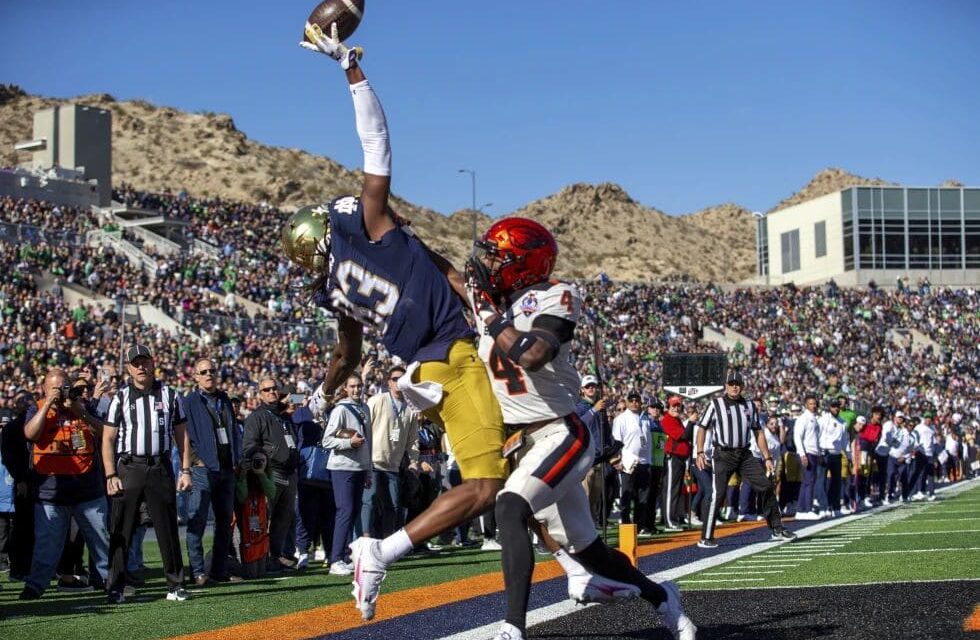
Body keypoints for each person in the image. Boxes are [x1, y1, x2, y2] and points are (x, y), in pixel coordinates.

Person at [292, 27, 508, 621]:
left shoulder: (335, 289)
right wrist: (351, 70)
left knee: (522, 464)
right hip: (452, 360)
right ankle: (380, 553)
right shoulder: (369, 225)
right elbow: (377, 142)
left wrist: (326, 389)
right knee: (489, 485)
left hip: (431, 364)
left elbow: (347, 355)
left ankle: (576, 565)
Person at [464, 217, 696, 640]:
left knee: (510, 506)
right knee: (591, 552)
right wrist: (399, 236)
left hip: (563, 431)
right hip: (528, 439)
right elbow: (447, 274)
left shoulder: (554, 295)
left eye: (497, 258)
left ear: (523, 264)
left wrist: (493, 319)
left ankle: (512, 628)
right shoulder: (494, 305)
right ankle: (664, 599)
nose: (487, 266)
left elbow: (534, 354)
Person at [103, 345, 192, 603]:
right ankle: (116, 587)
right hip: (129, 467)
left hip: (159, 467)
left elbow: (182, 436)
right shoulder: (119, 398)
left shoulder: (170, 395)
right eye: (135, 363)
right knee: (122, 529)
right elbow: (108, 439)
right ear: (129, 368)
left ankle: (175, 585)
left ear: (153, 363)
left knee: (167, 528)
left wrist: (184, 470)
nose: (141, 367)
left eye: (145, 362)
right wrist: (110, 474)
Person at [19, 369, 111, 600]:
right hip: (51, 492)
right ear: (44, 389)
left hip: (87, 489)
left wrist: (81, 413)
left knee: (101, 542)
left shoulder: (81, 406)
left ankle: (110, 581)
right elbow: (30, 434)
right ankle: (36, 585)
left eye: (63, 387)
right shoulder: (37, 407)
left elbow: (104, 433)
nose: (60, 392)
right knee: (46, 544)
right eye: (54, 388)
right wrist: (48, 404)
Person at [695, 370, 796, 548]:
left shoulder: (749, 406)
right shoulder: (715, 403)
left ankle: (777, 529)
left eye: (738, 384)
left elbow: (758, 432)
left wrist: (767, 457)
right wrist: (700, 452)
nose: (735, 386)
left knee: (765, 486)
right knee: (718, 493)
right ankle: (706, 537)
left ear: (742, 386)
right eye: (731, 383)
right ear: (726, 386)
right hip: (723, 454)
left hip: (744, 454)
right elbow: (702, 427)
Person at [182, 357, 243, 584]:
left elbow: (233, 431)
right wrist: (193, 462)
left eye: (212, 371)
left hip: (226, 470)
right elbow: (182, 435)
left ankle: (218, 570)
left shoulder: (224, 399)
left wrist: (236, 459)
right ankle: (198, 572)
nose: (209, 374)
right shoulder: (189, 402)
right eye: (203, 371)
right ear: (196, 377)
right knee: (196, 521)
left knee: (225, 522)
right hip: (202, 469)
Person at [243, 378, 300, 573]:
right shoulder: (257, 417)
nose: (271, 392)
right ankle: (263, 557)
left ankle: (276, 557)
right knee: (266, 518)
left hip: (290, 472)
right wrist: (263, 464)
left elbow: (293, 438)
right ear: (260, 394)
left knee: (283, 519)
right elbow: (250, 445)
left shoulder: (283, 415)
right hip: (271, 473)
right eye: (266, 389)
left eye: (274, 388)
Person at [322, 374, 372, 575]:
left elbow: (370, 441)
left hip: (360, 467)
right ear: (346, 388)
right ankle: (334, 560)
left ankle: (343, 556)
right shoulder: (341, 409)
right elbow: (326, 440)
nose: (356, 389)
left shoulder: (365, 408)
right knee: (345, 511)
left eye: (359, 385)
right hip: (342, 467)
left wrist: (368, 469)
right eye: (352, 386)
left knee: (351, 513)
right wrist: (348, 443)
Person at [362, 365, 420, 538]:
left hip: (393, 465)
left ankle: (387, 543)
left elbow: (413, 439)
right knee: (369, 502)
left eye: (402, 379)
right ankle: (365, 540)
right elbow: (364, 427)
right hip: (372, 462)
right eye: (395, 379)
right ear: (389, 383)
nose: (399, 382)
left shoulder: (410, 409)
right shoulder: (377, 400)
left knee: (393, 505)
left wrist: (414, 460)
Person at [611, 391, 651, 527]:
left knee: (643, 497)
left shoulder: (645, 418)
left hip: (644, 462)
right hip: (627, 462)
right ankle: (626, 525)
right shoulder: (621, 419)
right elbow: (616, 441)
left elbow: (647, 441)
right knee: (626, 496)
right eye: (631, 400)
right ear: (627, 402)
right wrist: (617, 461)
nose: (634, 402)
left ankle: (639, 526)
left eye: (637, 400)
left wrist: (649, 460)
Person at [661, 396, 692, 531]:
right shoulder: (668, 419)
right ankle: (669, 521)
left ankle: (673, 518)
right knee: (671, 490)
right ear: (668, 407)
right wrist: (690, 422)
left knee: (676, 490)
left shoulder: (676, 419)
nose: (676, 408)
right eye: (673, 405)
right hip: (672, 458)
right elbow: (683, 436)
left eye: (678, 405)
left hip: (680, 459)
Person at [816, 399, 848, 517]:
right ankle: (823, 507)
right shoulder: (823, 420)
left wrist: (848, 456)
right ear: (829, 407)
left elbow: (845, 440)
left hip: (837, 454)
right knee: (822, 481)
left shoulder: (842, 422)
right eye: (833, 406)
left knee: (836, 482)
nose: (836, 409)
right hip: (825, 452)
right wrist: (819, 452)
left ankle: (835, 507)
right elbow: (817, 436)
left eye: (837, 406)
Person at [792, 395, 822, 520]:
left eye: (814, 403)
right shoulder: (803, 418)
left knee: (808, 481)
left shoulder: (814, 418)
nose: (813, 406)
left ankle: (801, 509)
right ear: (806, 405)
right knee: (809, 481)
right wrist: (802, 453)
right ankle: (807, 509)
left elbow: (815, 438)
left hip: (813, 452)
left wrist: (819, 453)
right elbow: (797, 436)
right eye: (810, 403)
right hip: (807, 452)